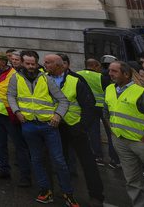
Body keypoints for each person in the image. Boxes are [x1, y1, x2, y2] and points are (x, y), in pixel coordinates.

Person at [8, 50, 77, 206]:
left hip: (48, 126)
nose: (31, 66)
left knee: (59, 161)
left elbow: (63, 100)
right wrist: (17, 111)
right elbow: (11, 95)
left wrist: (58, 116)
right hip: (28, 125)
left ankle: (68, 193)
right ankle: (45, 190)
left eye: (33, 64)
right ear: (23, 63)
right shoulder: (16, 78)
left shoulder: (46, 79)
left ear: (37, 63)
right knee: (37, 160)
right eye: (28, 63)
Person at [43, 54, 104, 207]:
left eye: (48, 63)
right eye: (45, 63)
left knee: (87, 163)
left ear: (60, 65)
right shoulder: (43, 78)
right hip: (55, 127)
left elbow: (89, 105)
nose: (45, 65)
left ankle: (96, 196)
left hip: (75, 127)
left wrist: (82, 126)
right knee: (58, 161)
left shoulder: (76, 80)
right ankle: (64, 191)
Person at [105, 59, 144, 207]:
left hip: (143, 143)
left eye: (114, 71)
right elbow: (106, 113)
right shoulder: (109, 89)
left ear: (126, 74)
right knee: (132, 181)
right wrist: (114, 133)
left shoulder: (142, 93)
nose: (110, 74)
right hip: (121, 141)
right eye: (109, 70)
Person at [0, 50, 32, 184]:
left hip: (10, 115)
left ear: (4, 61)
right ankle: (4, 169)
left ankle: (25, 176)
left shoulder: (14, 75)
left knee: (19, 146)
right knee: (0, 144)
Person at [76, 58, 119, 168]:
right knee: (110, 132)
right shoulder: (101, 77)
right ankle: (114, 159)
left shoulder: (77, 75)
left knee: (93, 132)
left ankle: (97, 156)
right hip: (103, 108)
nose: (101, 69)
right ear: (95, 66)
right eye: (99, 67)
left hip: (89, 108)